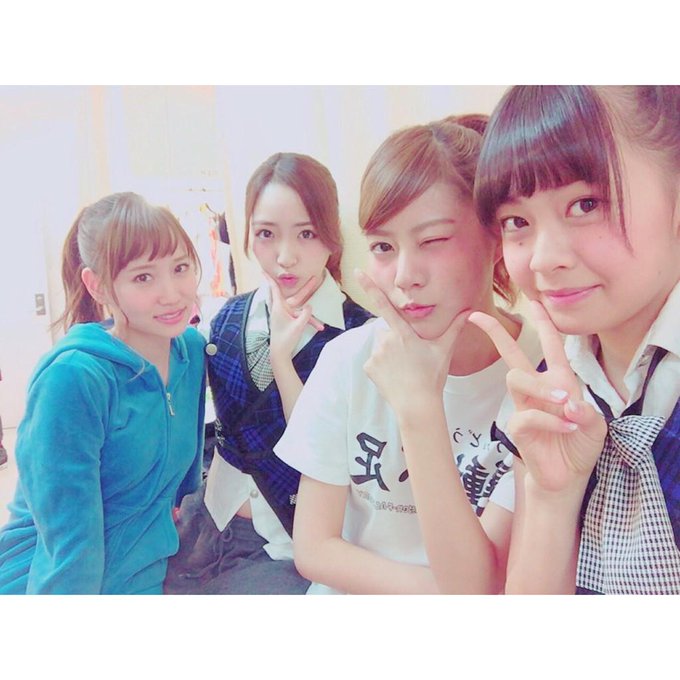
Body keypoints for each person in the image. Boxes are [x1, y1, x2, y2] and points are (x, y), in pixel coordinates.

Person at [274, 116, 541, 594]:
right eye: (383, 246)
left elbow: (483, 585)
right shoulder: (349, 359)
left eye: (432, 241)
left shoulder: (538, 373)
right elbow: (313, 547)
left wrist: (418, 407)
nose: (404, 275)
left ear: (496, 238)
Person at [470, 85, 680, 594]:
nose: (543, 259)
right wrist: (551, 497)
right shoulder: (553, 382)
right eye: (516, 222)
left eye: (586, 204)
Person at [164, 152, 373, 594]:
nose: (285, 257)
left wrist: (281, 359)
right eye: (265, 234)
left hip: (292, 544)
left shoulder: (360, 336)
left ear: (332, 237)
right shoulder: (228, 318)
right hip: (210, 524)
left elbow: (327, 454)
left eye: (306, 233)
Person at [0, 192, 206, 594]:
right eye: (143, 277)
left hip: (144, 575)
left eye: (180, 268)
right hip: (50, 583)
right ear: (97, 286)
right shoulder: (73, 379)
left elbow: (178, 493)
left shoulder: (191, 350)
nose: (172, 293)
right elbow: (69, 549)